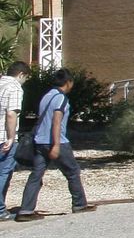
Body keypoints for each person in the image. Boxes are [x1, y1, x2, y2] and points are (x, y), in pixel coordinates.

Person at [15, 69, 93, 221]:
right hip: (56, 141)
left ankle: (25, 210)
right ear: (68, 82)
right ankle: (79, 204)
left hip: (39, 141)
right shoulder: (61, 98)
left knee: (36, 175)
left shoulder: (47, 96)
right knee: (72, 171)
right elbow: (56, 121)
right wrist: (56, 145)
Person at [0, 61, 26, 218]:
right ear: (21, 74)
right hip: (3, 136)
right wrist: (11, 138)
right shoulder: (15, 87)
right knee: (4, 172)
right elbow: (11, 114)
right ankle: (0, 210)